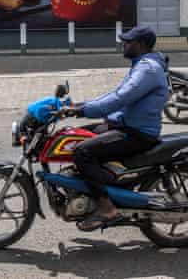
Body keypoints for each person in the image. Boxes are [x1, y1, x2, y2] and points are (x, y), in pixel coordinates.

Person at [60, 25, 168, 232]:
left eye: (129, 41)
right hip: (126, 125)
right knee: (74, 135)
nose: (124, 44)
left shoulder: (147, 69)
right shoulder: (141, 65)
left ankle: (106, 207)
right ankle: (90, 184)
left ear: (142, 45)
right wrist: (78, 106)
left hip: (137, 133)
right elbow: (114, 94)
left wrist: (83, 110)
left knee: (82, 151)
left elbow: (120, 98)